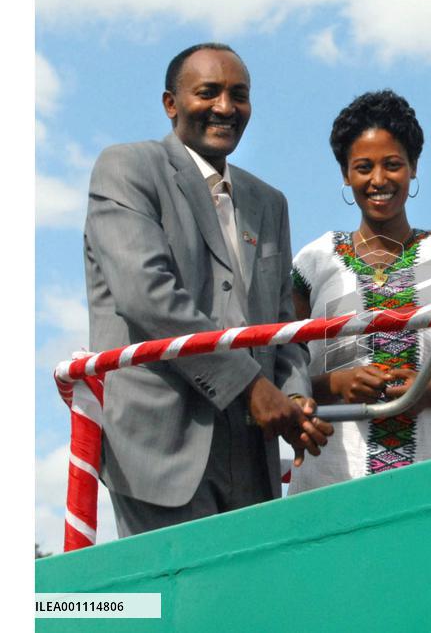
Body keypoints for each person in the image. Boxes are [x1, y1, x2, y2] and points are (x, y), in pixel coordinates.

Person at [83, 43, 333, 536]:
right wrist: (251, 386)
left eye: (239, 95)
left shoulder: (269, 202)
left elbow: (284, 326)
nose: (225, 107)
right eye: (208, 92)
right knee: (176, 607)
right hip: (164, 447)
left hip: (252, 451)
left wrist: (295, 395)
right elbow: (147, 296)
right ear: (170, 104)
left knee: (245, 605)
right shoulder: (127, 168)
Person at [288, 89, 431, 492]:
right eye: (363, 167)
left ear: (414, 167)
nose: (379, 180)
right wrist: (338, 384)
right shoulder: (312, 264)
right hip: (333, 485)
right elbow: (281, 378)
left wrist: (429, 392)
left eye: (393, 165)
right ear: (345, 174)